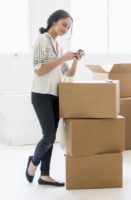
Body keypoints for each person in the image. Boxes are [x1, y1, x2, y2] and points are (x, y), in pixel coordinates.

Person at [25, 9, 84, 186]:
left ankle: (45, 175)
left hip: (56, 96)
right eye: (64, 24)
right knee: (49, 137)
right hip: (41, 94)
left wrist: (74, 60)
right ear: (54, 22)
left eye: (69, 27)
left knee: (49, 136)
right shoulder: (42, 40)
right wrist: (62, 58)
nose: (66, 29)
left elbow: (69, 74)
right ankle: (33, 164)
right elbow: (39, 70)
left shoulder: (58, 47)